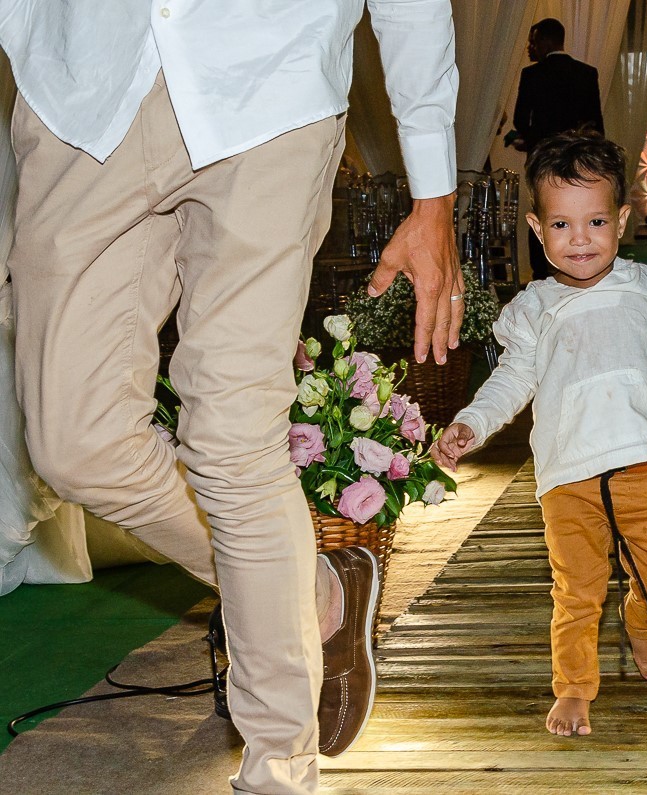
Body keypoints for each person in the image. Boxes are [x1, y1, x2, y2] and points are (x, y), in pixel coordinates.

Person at [0, 2, 463, 792]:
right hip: (86, 87)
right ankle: (312, 590)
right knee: (73, 441)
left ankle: (280, 761)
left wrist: (435, 196)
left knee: (232, 436)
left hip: (270, 81)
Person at [431, 132, 647, 737]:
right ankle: (572, 688)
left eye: (595, 221)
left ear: (621, 219)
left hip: (646, 461)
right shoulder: (533, 307)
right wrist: (472, 424)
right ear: (538, 232)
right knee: (576, 591)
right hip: (567, 476)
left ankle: (644, 620)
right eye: (562, 226)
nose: (581, 240)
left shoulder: (645, 287)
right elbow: (511, 381)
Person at [508, 18, 605, 281]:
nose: (531, 48)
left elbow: (520, 119)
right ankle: (584, 269)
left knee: (543, 214)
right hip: (580, 162)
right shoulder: (587, 73)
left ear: (545, 42)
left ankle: (542, 274)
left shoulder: (532, 75)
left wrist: (535, 139)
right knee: (581, 213)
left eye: (534, 41)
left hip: (544, 161)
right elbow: (595, 124)